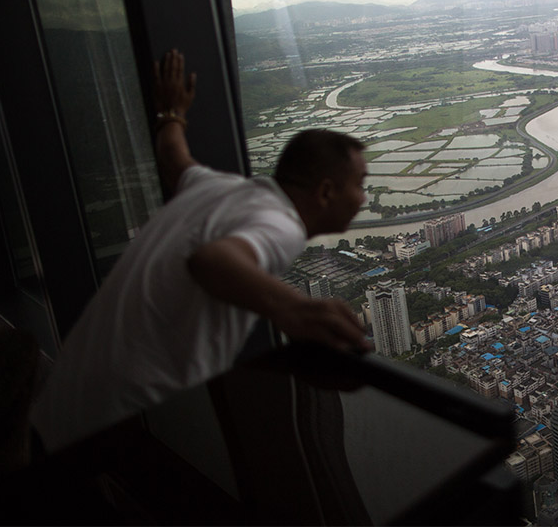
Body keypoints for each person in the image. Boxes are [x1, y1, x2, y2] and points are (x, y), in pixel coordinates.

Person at [30, 49, 371, 453]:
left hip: (59, 402)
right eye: (360, 183)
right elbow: (212, 260)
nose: (364, 197)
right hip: (120, 424)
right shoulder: (282, 225)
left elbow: (176, 159)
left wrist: (171, 113)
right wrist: (296, 310)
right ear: (327, 191)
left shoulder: (219, 187)